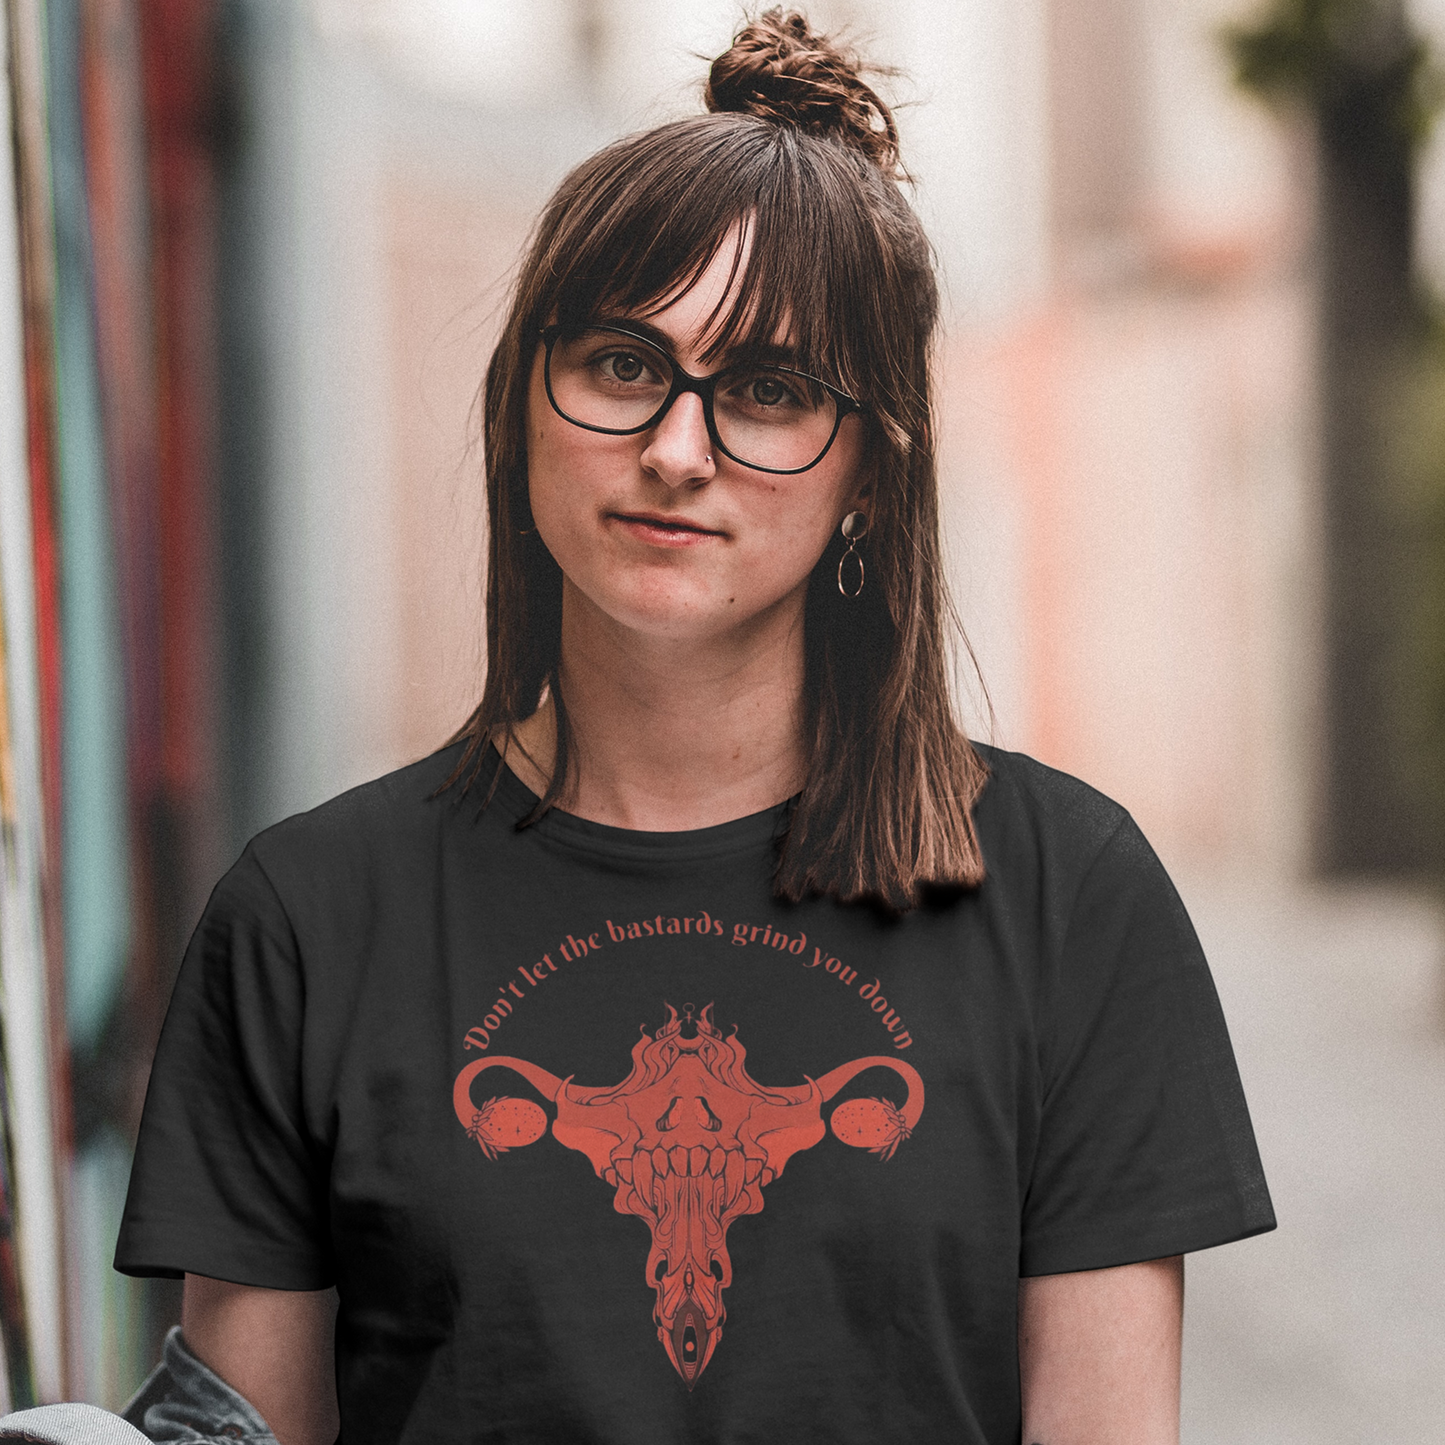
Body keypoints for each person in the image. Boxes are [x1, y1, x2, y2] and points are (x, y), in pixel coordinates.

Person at [109, 11, 1274, 1445]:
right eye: (620, 364)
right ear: (522, 402)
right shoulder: (306, 924)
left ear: (868, 477)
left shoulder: (1071, 905)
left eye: (770, 393)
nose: (675, 449)